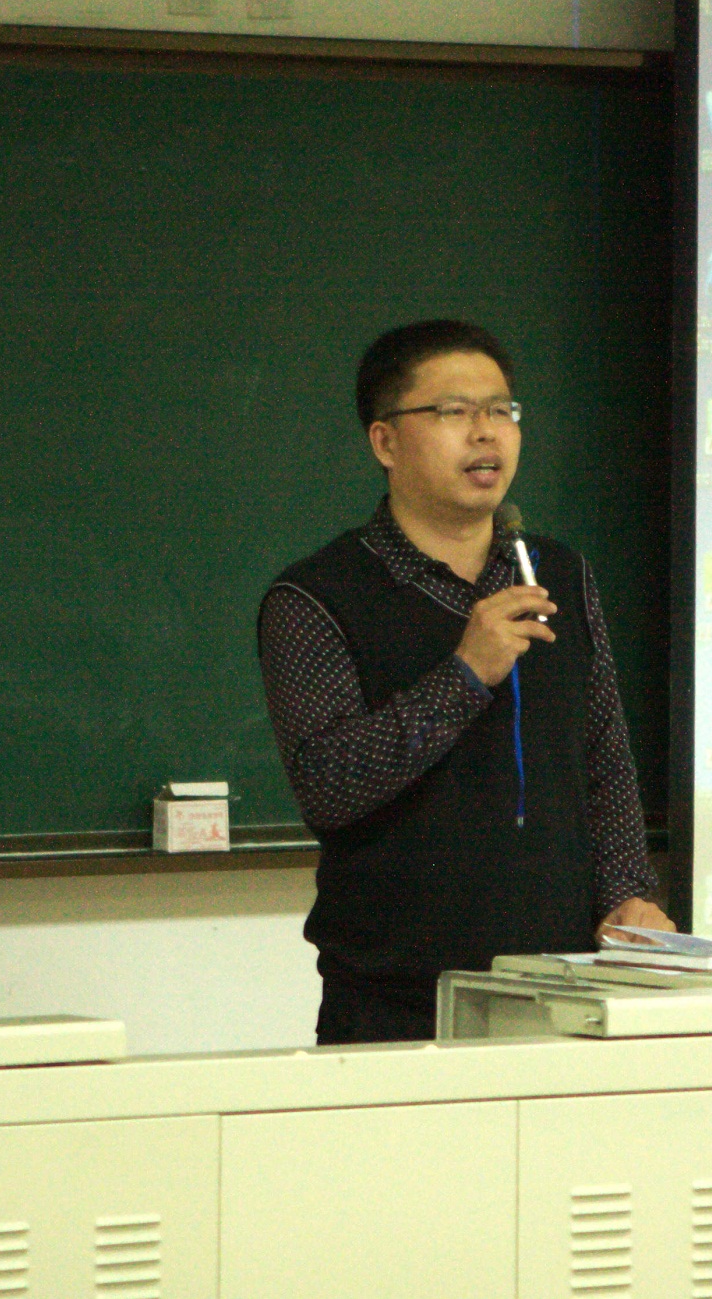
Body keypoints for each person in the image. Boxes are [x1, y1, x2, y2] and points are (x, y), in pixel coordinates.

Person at [259, 319, 673, 1045]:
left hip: (564, 992)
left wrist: (629, 893)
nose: (486, 433)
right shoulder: (316, 597)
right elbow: (329, 785)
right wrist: (465, 673)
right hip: (398, 1004)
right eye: (454, 411)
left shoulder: (559, 574)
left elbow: (603, 757)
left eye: (501, 410)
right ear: (385, 442)